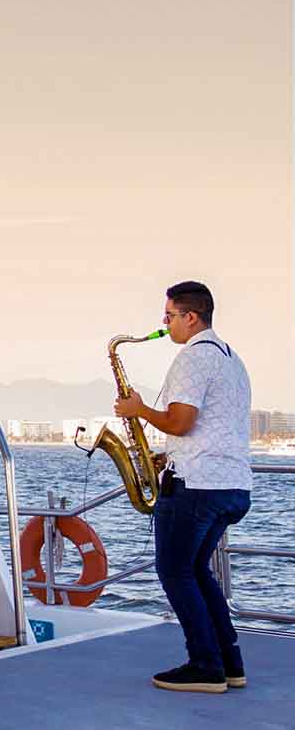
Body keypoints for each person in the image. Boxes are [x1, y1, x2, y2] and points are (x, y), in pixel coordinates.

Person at [114, 281, 252, 694]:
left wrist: (139, 409)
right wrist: (167, 455)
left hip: (197, 485)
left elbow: (181, 422)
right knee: (196, 570)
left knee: (174, 571)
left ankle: (205, 666)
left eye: (170, 315)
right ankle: (230, 663)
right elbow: (209, 427)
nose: (164, 323)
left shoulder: (193, 357)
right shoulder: (231, 358)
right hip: (231, 485)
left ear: (191, 317)